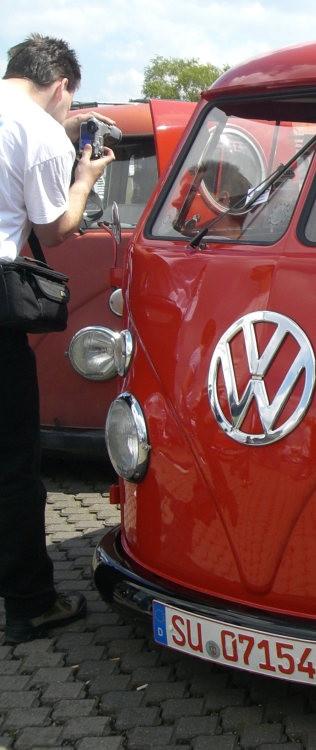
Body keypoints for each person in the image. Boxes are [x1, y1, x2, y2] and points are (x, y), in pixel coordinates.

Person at [0, 34, 114, 643]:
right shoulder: (36, 129)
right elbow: (56, 229)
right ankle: (31, 603)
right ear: (62, 85)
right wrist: (85, 177)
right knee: (13, 464)